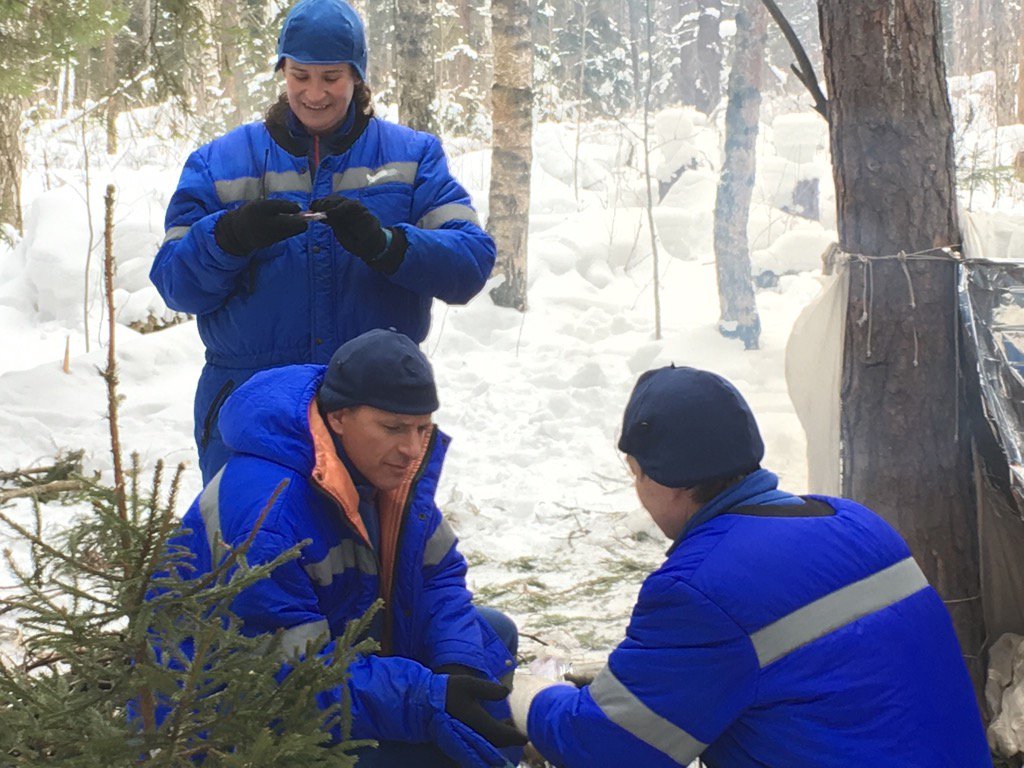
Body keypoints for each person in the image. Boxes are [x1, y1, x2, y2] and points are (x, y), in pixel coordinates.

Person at [508, 365, 991, 767]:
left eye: (635, 474)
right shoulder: (855, 521)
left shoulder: (699, 589)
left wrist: (532, 697)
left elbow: (606, 746)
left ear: (666, 480)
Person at [150, 0, 496, 483]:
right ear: (282, 71)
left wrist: (387, 246)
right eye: (300, 75)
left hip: (376, 414)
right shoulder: (218, 163)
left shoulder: (413, 157)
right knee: (258, 530)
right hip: (252, 409)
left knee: (371, 534)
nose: (314, 93)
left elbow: (471, 264)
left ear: (357, 75)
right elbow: (175, 284)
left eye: (331, 77)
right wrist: (228, 237)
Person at [164, 329, 524, 767]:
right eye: (393, 428)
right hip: (236, 720)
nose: (412, 450)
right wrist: (427, 696)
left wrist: (457, 665)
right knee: (447, 750)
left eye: (422, 428)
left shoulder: (381, 469)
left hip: (336, 652)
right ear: (338, 418)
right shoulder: (268, 514)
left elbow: (437, 575)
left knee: (490, 635)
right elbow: (291, 678)